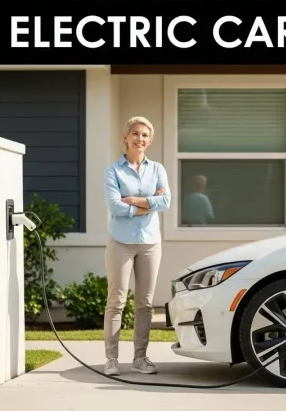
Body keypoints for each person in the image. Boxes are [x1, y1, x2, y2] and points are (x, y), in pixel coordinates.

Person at [102, 116, 171, 376]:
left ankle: (140, 358)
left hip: (151, 243)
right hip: (120, 242)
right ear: (125, 137)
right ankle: (111, 360)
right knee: (116, 301)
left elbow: (166, 201)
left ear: (149, 140)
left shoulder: (158, 169)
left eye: (144, 135)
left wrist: (134, 201)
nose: (139, 138)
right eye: (135, 133)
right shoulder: (113, 171)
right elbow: (114, 206)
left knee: (145, 303)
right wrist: (147, 203)